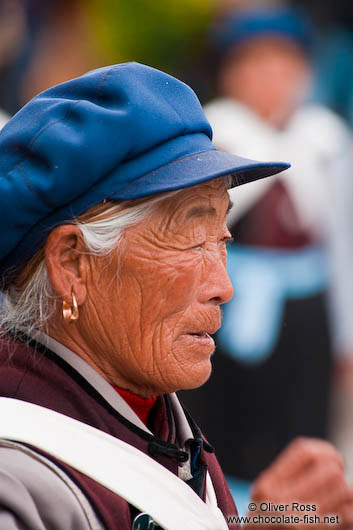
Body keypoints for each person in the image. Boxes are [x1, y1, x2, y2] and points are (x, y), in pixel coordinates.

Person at [0, 62, 351, 530]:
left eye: (222, 238)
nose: (224, 287)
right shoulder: (16, 482)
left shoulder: (155, 420)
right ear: (73, 263)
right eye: (190, 239)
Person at [180, 6, 353, 510]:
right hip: (232, 307)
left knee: (300, 420)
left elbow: (340, 238)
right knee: (228, 422)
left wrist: (345, 332)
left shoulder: (324, 140)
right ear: (230, 74)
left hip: (306, 313)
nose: (272, 80)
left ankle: (303, 513)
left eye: (285, 65)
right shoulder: (216, 138)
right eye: (255, 65)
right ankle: (230, 513)